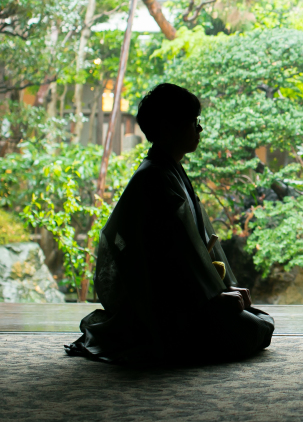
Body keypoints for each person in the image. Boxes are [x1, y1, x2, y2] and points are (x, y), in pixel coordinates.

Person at [66, 84, 274, 365]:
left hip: (183, 297)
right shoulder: (155, 179)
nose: (199, 130)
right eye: (193, 122)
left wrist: (222, 290)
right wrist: (213, 298)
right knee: (254, 329)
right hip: (165, 306)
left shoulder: (168, 169)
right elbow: (171, 263)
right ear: (168, 127)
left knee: (257, 322)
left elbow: (194, 250)